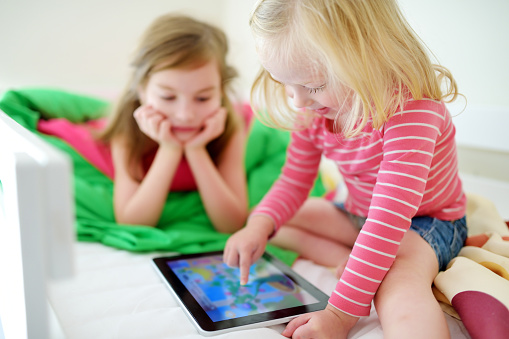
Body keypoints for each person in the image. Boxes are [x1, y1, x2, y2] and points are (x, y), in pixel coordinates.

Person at [223, 0, 468, 338]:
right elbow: (294, 182)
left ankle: (366, 266)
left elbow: (388, 220)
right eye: (283, 83)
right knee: (271, 222)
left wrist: (339, 315)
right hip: (360, 214)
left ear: (367, 55)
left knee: (398, 282)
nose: (298, 101)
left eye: (313, 86)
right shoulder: (312, 111)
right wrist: (258, 224)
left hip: (426, 223)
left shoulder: (411, 111)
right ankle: (356, 259)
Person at [99, 14, 248, 233]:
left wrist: (196, 150)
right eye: (168, 98)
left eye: (203, 98)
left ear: (221, 92)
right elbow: (132, 222)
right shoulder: (127, 128)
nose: (185, 115)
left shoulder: (229, 125)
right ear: (142, 90)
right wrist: (170, 148)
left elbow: (231, 224)